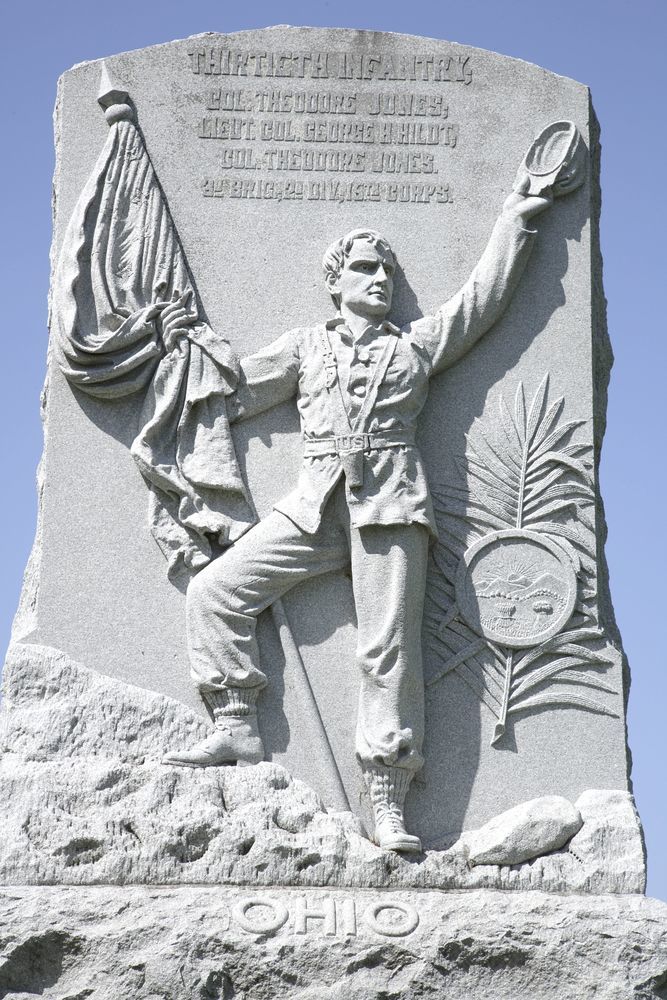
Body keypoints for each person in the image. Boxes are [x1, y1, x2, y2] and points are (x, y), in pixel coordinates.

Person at [162, 185, 552, 852]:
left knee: (385, 652)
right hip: (315, 504)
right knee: (214, 591)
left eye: (388, 271)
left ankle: (388, 797)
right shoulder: (305, 346)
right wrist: (184, 352)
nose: (381, 280)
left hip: (391, 506)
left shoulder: (416, 346)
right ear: (335, 282)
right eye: (366, 268)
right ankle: (236, 725)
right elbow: (233, 393)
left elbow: (480, 301)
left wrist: (517, 215)